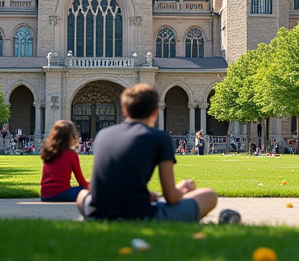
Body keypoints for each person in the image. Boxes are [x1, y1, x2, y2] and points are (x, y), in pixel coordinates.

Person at [78, 84, 217, 222]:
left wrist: (144, 194)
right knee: (209, 195)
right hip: (138, 216)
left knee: (82, 195)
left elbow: (106, 183)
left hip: (96, 214)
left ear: (125, 110)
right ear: (155, 112)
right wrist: (183, 188)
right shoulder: (160, 138)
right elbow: (171, 197)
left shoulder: (103, 135)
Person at [39, 120, 89, 202]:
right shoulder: (71, 154)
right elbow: (81, 181)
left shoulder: (49, 152)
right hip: (61, 193)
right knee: (92, 192)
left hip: (45, 195)